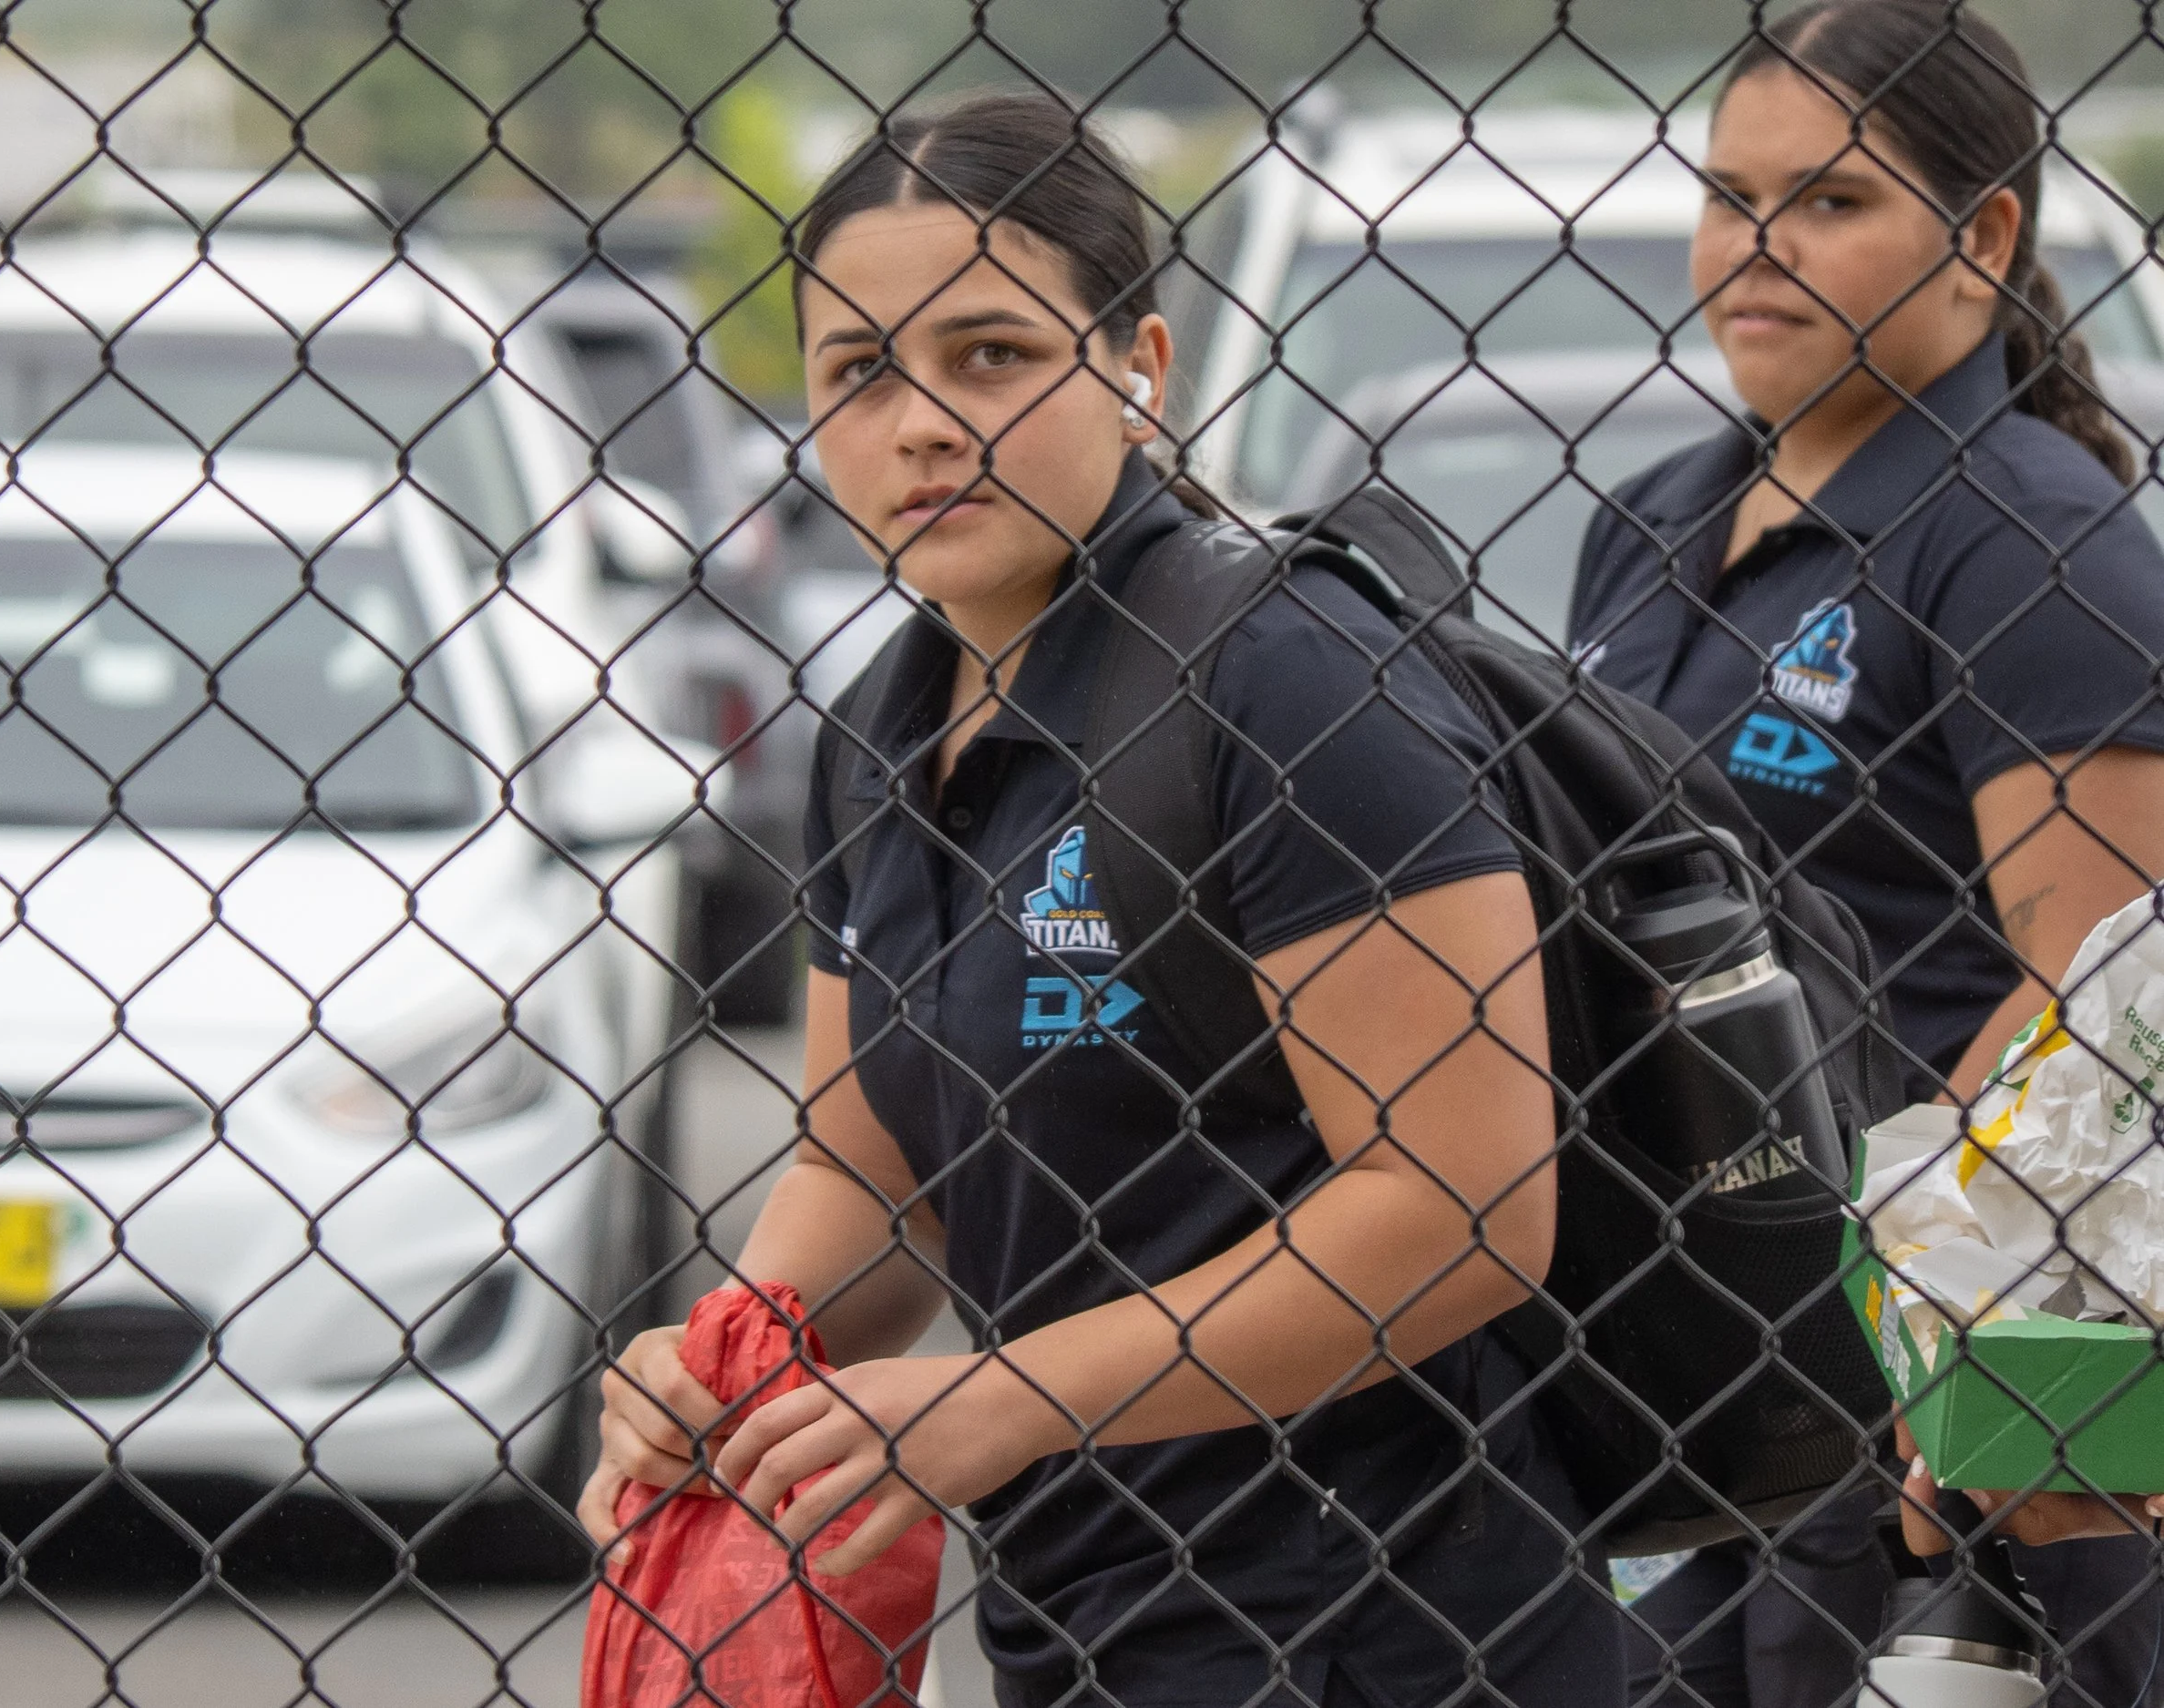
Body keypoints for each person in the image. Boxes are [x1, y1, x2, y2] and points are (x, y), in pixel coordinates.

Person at [579, 91, 1628, 1708]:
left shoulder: (1289, 681)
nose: (923, 420)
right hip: (1086, 1623)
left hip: (1396, 1625)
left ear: (1139, 366)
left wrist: (1000, 1401)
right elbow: (870, 1167)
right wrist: (727, 1360)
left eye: (991, 353)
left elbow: (1462, 1208)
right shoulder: (880, 730)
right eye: (860, 371)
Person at [1566, 5, 2164, 1704]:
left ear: (1982, 236)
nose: (1753, 250)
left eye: (1829, 201)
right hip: (1681, 1346)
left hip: (1922, 1392)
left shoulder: (2030, 537)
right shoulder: (1657, 517)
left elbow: (2094, 1013)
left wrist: (1930, 1324)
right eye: (1727, 195)